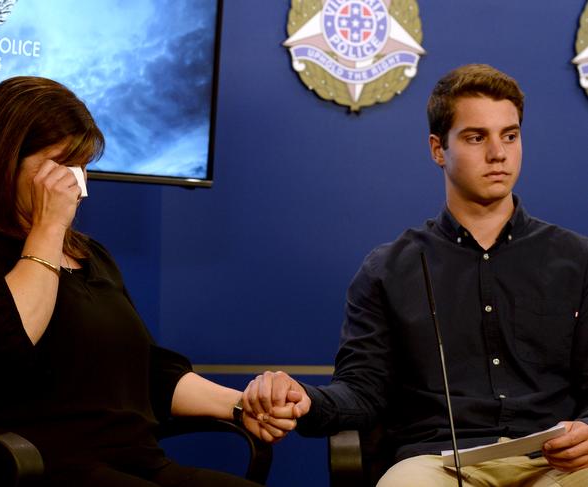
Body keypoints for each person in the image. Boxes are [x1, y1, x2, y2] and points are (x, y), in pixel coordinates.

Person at [0, 76, 294, 487]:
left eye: (83, 167)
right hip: (44, 468)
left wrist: (239, 407)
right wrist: (50, 226)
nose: (76, 185)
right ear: (5, 160)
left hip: (138, 462)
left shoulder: (93, 256)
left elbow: (149, 372)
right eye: (60, 166)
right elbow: (11, 340)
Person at [244, 64, 588, 485]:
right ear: (437, 149)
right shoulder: (388, 270)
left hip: (557, 461)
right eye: (476, 137)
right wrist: (305, 401)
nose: (498, 153)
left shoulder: (577, 259)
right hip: (440, 464)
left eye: (510, 136)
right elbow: (361, 390)